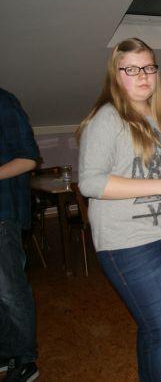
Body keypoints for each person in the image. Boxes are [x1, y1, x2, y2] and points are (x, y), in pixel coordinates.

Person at [78, 38, 161, 381]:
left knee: (153, 329)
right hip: (127, 242)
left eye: (148, 67)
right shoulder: (108, 118)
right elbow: (90, 183)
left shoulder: (160, 118)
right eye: (131, 69)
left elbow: (152, 172)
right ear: (116, 75)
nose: (142, 76)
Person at [0, 88, 40, 382]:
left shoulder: (3, 101)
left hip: (3, 215)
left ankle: (25, 359)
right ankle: (6, 352)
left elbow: (28, 158)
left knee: (11, 291)